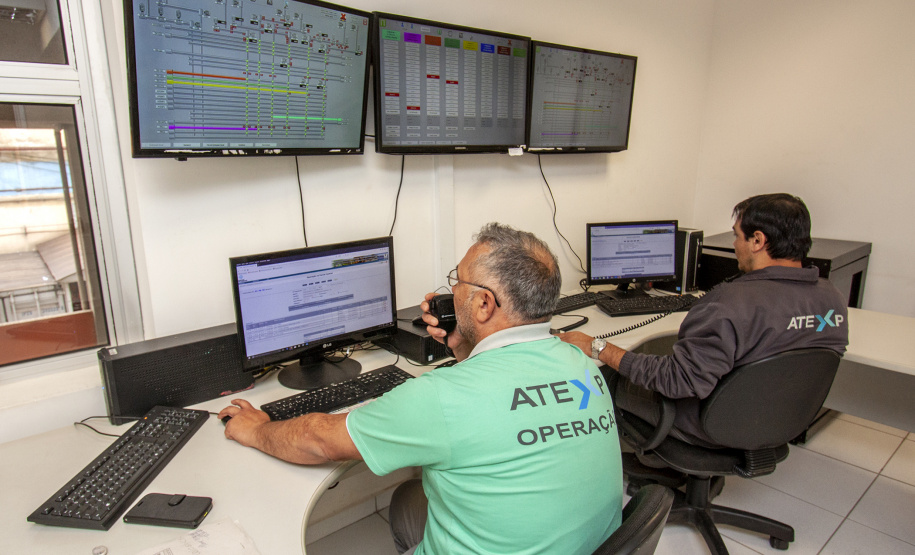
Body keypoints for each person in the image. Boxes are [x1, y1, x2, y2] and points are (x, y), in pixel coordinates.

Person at [219, 222, 623, 555]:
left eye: (458, 283)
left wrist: (255, 429)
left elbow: (321, 441)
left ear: (484, 304)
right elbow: (502, 396)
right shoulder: (580, 361)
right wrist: (465, 345)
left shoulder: (443, 396)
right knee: (411, 496)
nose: (451, 292)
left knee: (405, 503)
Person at [560, 193, 849, 448]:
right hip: (778, 418)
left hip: (711, 425)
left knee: (604, 376)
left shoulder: (729, 303)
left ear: (758, 240)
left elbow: (676, 381)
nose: (734, 244)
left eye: (737, 236)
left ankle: (623, 466)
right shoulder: (832, 297)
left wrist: (599, 347)